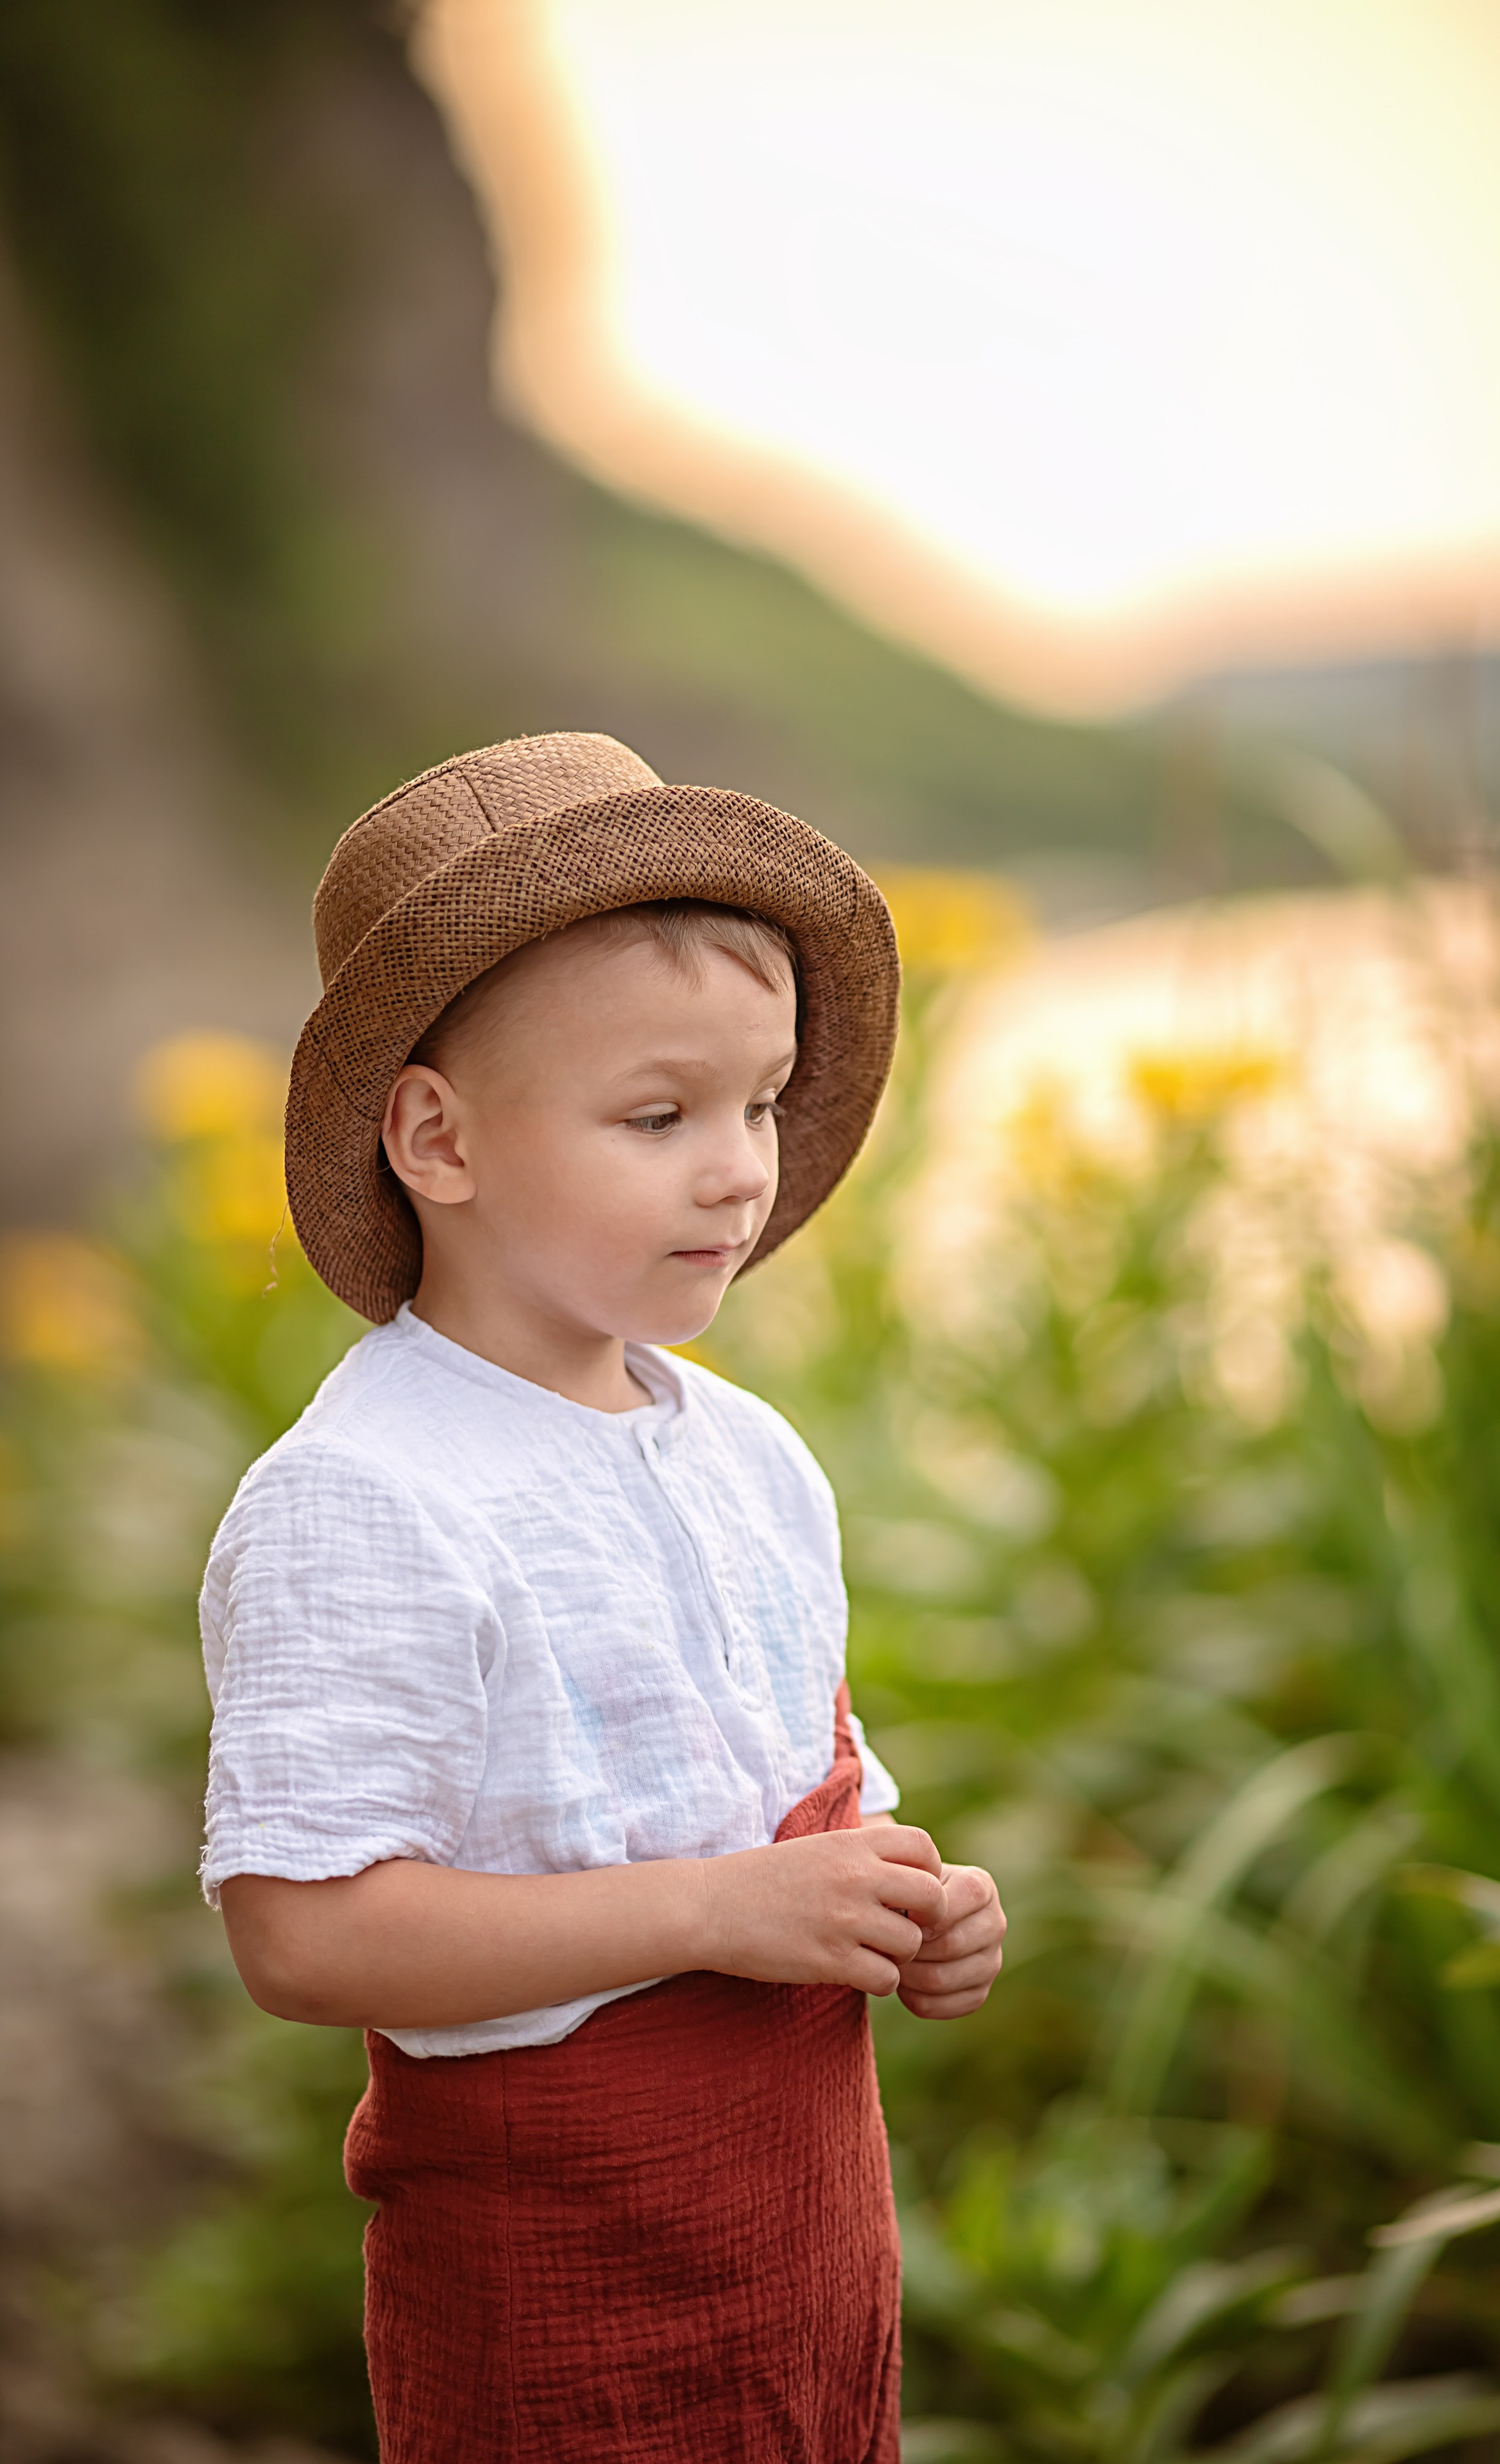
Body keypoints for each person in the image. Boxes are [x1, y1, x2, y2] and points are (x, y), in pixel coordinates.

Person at [198, 733, 1007, 2463]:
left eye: (762, 1103)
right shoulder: (370, 1497)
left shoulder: (754, 1456)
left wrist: (904, 1896)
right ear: (438, 1136)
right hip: (560, 2253)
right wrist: (714, 1912)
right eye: (659, 1117)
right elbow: (303, 1929)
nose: (737, 1169)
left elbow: (798, 1781)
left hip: (804, 2223)